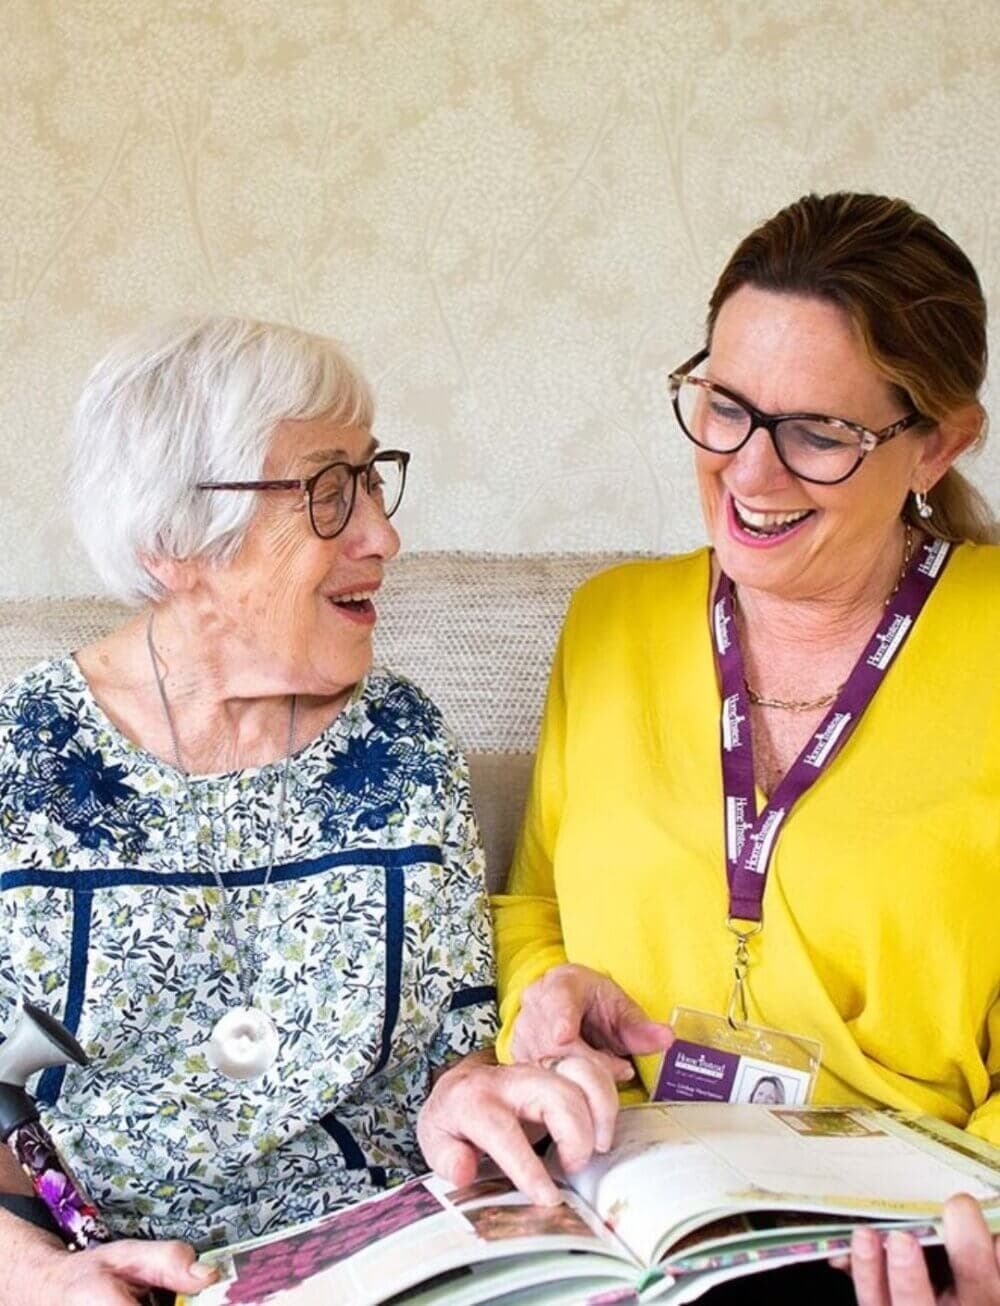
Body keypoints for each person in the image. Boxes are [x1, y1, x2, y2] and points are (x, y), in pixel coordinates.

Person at [0, 316, 602, 1305]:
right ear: (173, 538)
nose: (383, 534)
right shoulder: (24, 760)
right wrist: (41, 1280)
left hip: (408, 1259)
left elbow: (449, 1046)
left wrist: (475, 1092)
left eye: (371, 479)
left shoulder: (397, 739)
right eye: (328, 491)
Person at [493, 193, 1000, 1304]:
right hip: (625, 1208)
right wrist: (544, 997)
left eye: (819, 432)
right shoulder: (609, 621)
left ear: (940, 442)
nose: (749, 474)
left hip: (898, 1234)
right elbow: (531, 908)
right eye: (725, 406)